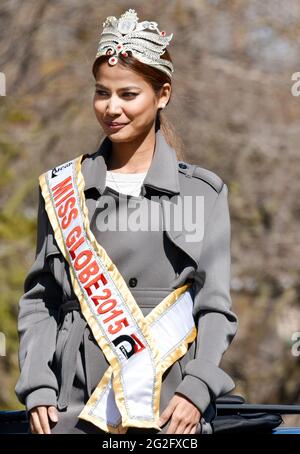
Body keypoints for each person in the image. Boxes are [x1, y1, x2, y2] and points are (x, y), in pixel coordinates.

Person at [15, 8, 238, 435]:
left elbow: (215, 307)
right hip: (73, 405)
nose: (111, 108)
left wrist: (198, 389)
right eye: (102, 93)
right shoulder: (64, 188)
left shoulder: (202, 193)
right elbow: (40, 300)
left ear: (163, 95)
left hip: (171, 408)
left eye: (128, 94)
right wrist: (37, 385)